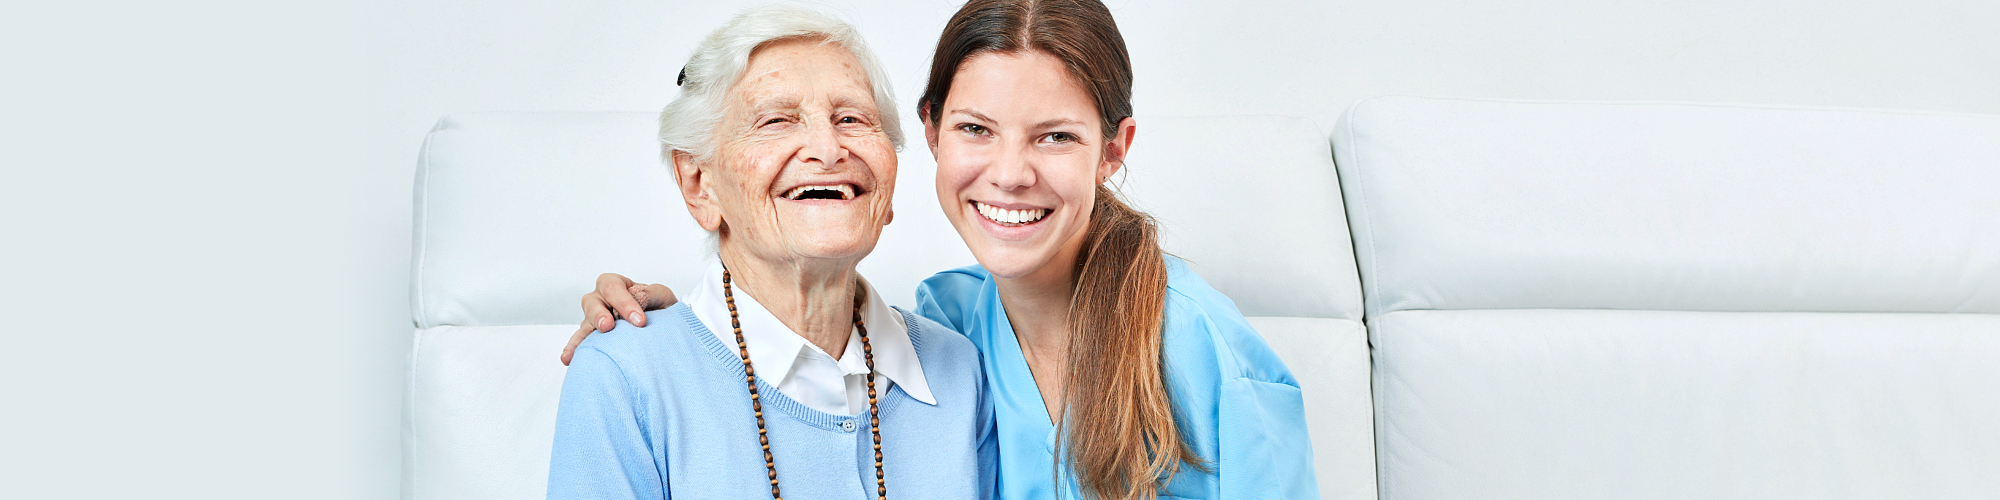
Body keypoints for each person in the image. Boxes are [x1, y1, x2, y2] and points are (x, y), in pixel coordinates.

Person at [569, 1, 1318, 498]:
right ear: (931, 136)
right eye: (976, 129)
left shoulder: (1206, 354)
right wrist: (669, 335)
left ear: (1113, 149)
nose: (1011, 174)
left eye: (1056, 135)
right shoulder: (951, 324)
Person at [545, 5, 993, 500]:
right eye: (777, 120)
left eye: (851, 118)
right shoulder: (624, 376)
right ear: (699, 185)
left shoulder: (961, 370)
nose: (827, 149)